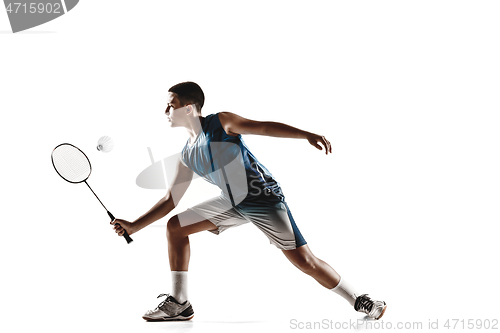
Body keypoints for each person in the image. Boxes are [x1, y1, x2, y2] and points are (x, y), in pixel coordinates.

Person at [112, 82, 386, 321]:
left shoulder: (221, 122)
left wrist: (306, 134)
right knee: (176, 225)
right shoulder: (187, 154)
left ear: (188, 108)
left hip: (262, 198)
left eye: (170, 105)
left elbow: (263, 127)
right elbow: (171, 199)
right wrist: (135, 226)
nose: (165, 112)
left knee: (305, 262)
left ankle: (361, 300)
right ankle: (180, 302)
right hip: (231, 201)